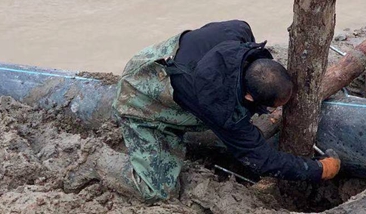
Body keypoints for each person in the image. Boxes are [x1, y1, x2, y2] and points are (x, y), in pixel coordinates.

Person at [65, 20, 340, 202]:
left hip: (159, 56)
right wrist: (319, 170)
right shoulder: (222, 111)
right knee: (158, 190)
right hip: (140, 96)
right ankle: (96, 161)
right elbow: (262, 160)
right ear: (248, 94)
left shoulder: (237, 32)